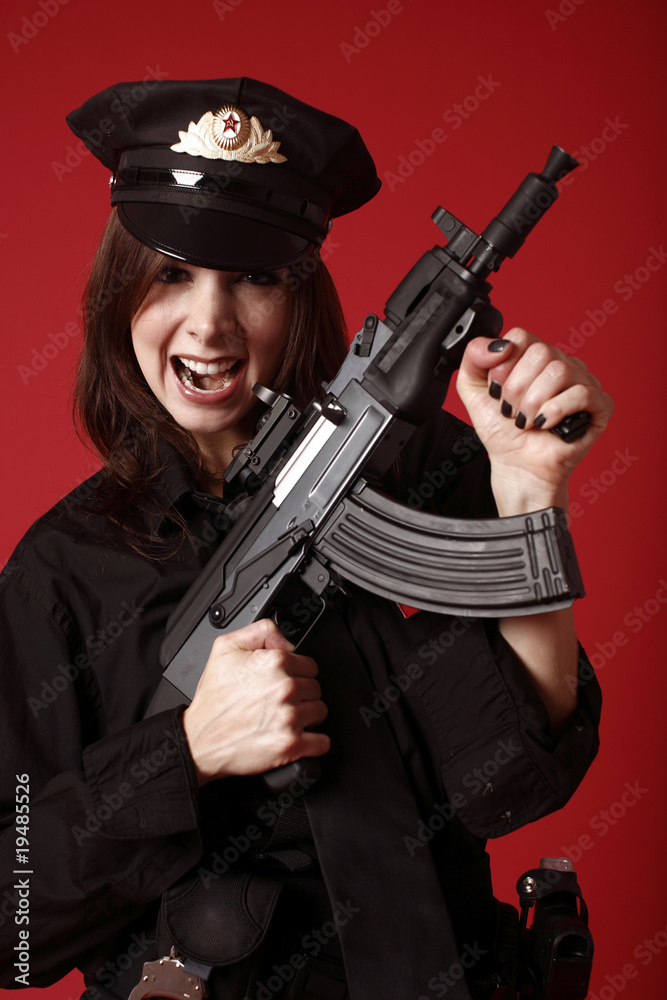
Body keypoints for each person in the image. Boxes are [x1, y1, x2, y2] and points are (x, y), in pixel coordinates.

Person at [0, 77, 612, 1000]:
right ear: (117, 297)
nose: (209, 323)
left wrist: (527, 492)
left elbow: (510, 788)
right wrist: (188, 751)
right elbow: (12, 925)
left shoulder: (430, 465)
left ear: (303, 299)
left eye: (254, 279)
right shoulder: (61, 571)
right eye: (171, 272)